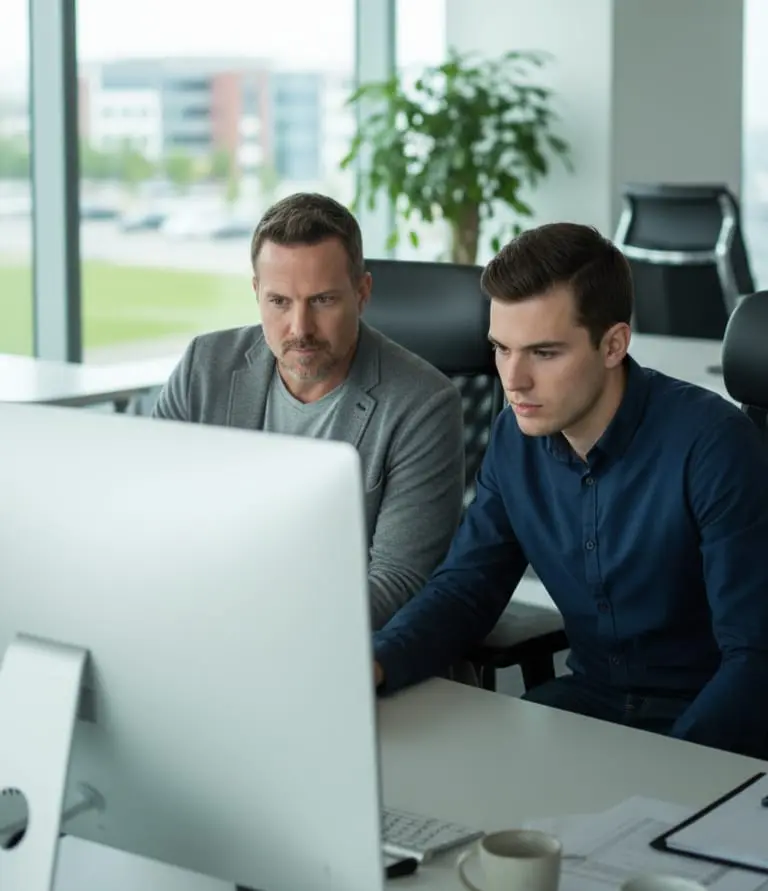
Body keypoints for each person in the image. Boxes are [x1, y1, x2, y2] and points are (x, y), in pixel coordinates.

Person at [373, 222, 768, 759]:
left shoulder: (713, 446)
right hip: (587, 706)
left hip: (706, 722)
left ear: (613, 344)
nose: (513, 381)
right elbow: (468, 586)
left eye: (544, 353)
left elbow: (753, 659)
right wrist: (377, 664)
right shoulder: (517, 434)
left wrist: (676, 773)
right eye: (501, 348)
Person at [153, 192, 465, 629]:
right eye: (279, 301)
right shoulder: (203, 367)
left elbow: (398, 580)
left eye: (322, 301)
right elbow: (153, 515)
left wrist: (272, 627)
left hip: (338, 643)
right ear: (257, 292)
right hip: (207, 622)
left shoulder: (423, 404)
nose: (300, 329)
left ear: (362, 293)